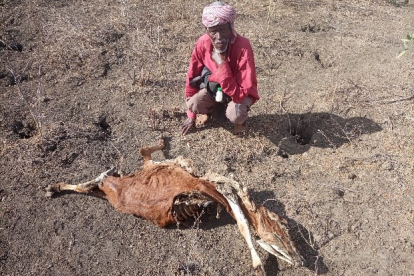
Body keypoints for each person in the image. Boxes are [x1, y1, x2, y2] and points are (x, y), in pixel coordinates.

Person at [181, 1, 259, 136]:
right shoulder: (203, 43)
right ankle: (216, 107)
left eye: (223, 30)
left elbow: (242, 92)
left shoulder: (243, 46)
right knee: (194, 104)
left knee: (237, 114)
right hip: (214, 89)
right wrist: (191, 116)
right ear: (207, 31)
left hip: (238, 92)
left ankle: (240, 121)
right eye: (213, 31)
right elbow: (192, 77)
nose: (219, 38)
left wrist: (222, 64)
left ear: (231, 28)